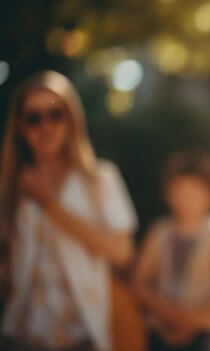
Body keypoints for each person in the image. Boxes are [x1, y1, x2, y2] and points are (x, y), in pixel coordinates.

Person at [0, 70, 138, 351]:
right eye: (34, 117)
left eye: (56, 114)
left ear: (72, 120)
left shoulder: (100, 179)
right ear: (20, 127)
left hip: (82, 336)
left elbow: (123, 252)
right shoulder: (10, 187)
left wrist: (51, 206)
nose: (46, 126)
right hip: (21, 336)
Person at [133, 151, 210, 351]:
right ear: (168, 194)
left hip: (204, 332)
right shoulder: (159, 230)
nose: (186, 200)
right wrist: (170, 314)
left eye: (194, 193)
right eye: (180, 193)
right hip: (160, 330)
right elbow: (140, 283)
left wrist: (193, 320)